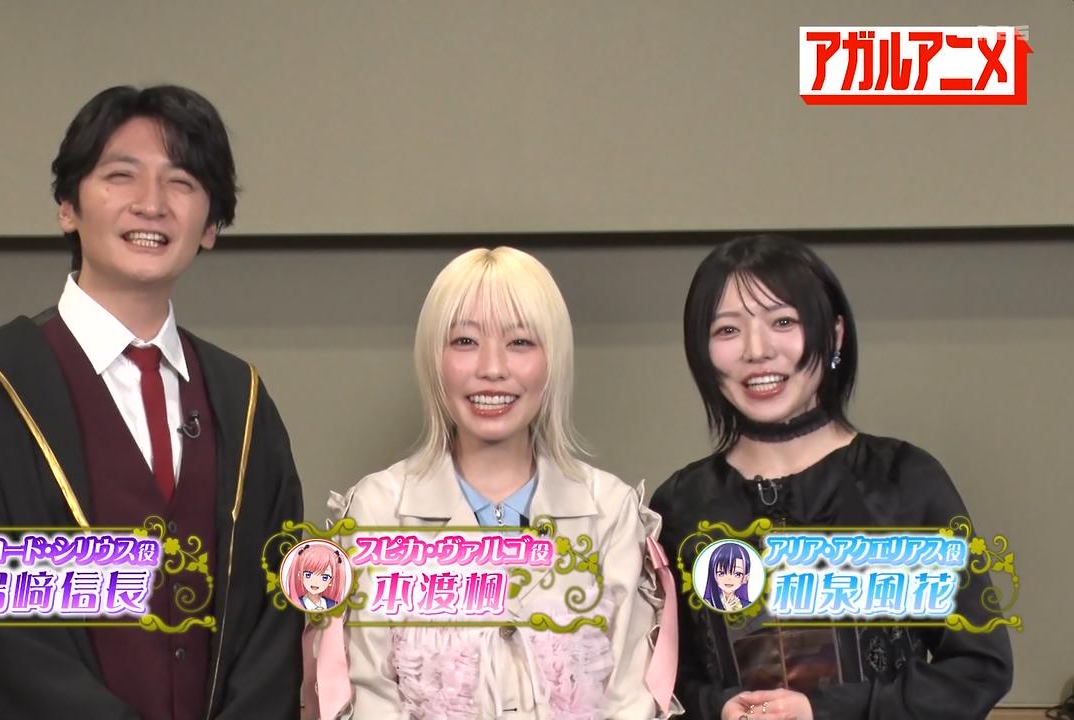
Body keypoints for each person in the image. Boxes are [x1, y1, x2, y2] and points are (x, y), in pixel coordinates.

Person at [0, 85, 303, 719]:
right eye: (120, 175)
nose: (151, 203)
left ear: (211, 226)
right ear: (67, 206)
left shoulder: (242, 397)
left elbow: (277, 602)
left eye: (181, 182)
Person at [650, 234, 1013, 719]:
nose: (757, 350)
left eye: (783, 321)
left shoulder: (901, 481)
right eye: (728, 330)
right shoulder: (681, 505)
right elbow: (665, 675)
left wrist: (825, 710)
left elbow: (977, 668)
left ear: (835, 334)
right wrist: (716, 705)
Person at [326, 247, 678, 719]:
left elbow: (630, 700)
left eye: (520, 342)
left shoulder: (610, 510)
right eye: (465, 341)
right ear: (433, 358)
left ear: (553, 359)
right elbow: (369, 695)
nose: (492, 368)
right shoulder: (378, 509)